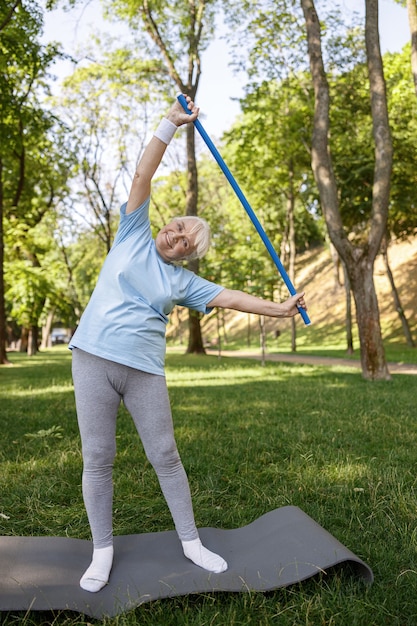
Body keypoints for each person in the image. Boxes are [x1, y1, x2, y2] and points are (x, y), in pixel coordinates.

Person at [69, 94, 307, 593]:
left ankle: (191, 541)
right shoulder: (131, 233)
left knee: (166, 455)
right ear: (164, 223)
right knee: (99, 457)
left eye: (185, 242)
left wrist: (279, 307)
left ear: (188, 257)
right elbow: (142, 177)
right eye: (176, 227)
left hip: (143, 369)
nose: (176, 236)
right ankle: (102, 550)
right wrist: (170, 124)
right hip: (92, 358)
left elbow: (233, 299)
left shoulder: (183, 284)